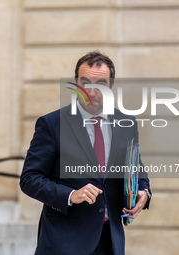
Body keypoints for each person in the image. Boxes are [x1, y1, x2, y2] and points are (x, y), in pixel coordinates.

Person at [20, 51, 151, 255]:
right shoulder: (52, 124)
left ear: (111, 86)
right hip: (64, 242)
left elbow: (136, 169)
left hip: (111, 241)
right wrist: (71, 195)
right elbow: (29, 179)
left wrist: (144, 192)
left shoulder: (127, 123)